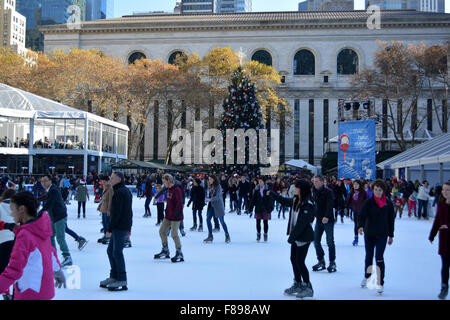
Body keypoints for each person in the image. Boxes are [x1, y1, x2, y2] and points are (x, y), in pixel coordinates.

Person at [0, 191, 66, 300]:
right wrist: (57, 271)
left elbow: (14, 270)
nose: (11, 214)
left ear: (22, 209)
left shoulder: (25, 235)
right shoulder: (40, 227)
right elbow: (51, 252)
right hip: (44, 290)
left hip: (29, 293)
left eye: (12, 209)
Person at [269, 180, 316, 299]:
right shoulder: (296, 200)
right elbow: (285, 201)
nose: (294, 189)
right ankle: (298, 283)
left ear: (302, 189)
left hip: (304, 237)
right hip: (296, 236)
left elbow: (302, 223)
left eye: (296, 187)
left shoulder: (308, 204)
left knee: (300, 261)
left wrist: (292, 236)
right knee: (293, 259)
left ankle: (308, 287)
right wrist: (273, 194)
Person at [358, 179, 395, 295]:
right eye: (376, 190)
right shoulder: (368, 202)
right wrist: (360, 226)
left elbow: (391, 220)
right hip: (369, 234)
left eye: (380, 190)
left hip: (382, 235)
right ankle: (367, 276)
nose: (378, 192)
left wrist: (391, 235)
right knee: (369, 256)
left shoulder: (388, 203)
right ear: (373, 190)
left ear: (383, 191)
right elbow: (362, 215)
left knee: (379, 257)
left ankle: (380, 282)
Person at [100, 171, 133, 291]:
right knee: (111, 251)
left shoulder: (120, 192)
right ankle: (114, 276)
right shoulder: (121, 191)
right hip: (120, 226)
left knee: (117, 252)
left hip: (119, 227)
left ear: (119, 179)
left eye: (113, 178)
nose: (110, 179)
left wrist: (109, 228)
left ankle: (122, 278)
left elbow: (118, 213)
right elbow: (128, 212)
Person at [40, 175, 73, 267]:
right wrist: (35, 200)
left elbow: (50, 203)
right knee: (50, 236)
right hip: (54, 216)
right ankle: (53, 256)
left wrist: (39, 213)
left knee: (60, 237)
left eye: (45, 181)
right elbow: (46, 197)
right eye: (42, 181)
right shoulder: (51, 189)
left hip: (59, 216)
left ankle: (67, 257)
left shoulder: (53, 189)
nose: (43, 183)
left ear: (50, 181)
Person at [154, 174, 185, 263]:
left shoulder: (177, 189)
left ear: (169, 181)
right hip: (168, 215)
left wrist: (176, 214)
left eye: (164, 182)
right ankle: (165, 249)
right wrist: (167, 212)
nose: (163, 184)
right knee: (162, 231)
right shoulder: (168, 189)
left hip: (176, 216)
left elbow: (179, 204)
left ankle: (179, 252)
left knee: (174, 234)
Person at [429, 181, 450, 300]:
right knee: (445, 265)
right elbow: (437, 220)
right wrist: (432, 234)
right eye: (443, 190)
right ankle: (444, 287)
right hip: (444, 240)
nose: (444, 192)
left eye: (447, 190)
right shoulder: (441, 204)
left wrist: (448, 226)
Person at [311, 175, 336, 273]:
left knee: (330, 241)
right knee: (315, 240)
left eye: (317, 181)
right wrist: (311, 218)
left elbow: (330, 205)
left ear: (322, 182)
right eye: (314, 181)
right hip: (318, 219)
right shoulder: (314, 192)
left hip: (327, 220)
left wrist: (326, 216)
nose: (315, 183)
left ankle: (332, 262)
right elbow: (314, 206)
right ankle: (321, 260)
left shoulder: (328, 192)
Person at [203, 175, 231, 244]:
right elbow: (209, 195)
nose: (209, 180)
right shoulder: (210, 186)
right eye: (209, 179)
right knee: (208, 219)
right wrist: (206, 199)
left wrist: (210, 199)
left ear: (214, 179)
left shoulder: (218, 186)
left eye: (210, 179)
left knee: (222, 221)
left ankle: (227, 235)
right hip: (211, 206)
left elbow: (218, 197)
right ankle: (210, 236)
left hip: (218, 206)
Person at [0, 189, 16, 300]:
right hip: (16, 240)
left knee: (2, 269)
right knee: (14, 269)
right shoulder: (19, 206)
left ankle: (5, 291)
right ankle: (11, 292)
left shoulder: (0, 205)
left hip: (2, 240)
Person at [249, 177, 274, 242]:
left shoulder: (268, 189)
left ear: (264, 182)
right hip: (258, 207)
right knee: (258, 222)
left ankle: (265, 234)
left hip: (266, 208)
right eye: (259, 181)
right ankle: (258, 234)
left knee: (265, 222)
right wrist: (250, 208)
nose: (260, 183)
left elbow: (271, 199)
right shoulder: (256, 190)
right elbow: (253, 199)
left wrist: (271, 207)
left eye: (261, 181)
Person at [346, 180, 368, 246]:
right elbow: (348, 201)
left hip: (363, 212)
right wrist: (346, 207)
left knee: (364, 225)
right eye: (354, 184)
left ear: (359, 185)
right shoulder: (352, 192)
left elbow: (367, 201)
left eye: (357, 184)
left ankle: (367, 238)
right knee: (356, 225)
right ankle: (356, 238)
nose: (355, 185)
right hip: (355, 211)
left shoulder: (363, 192)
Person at [97, 176, 113, 245]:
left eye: (104, 182)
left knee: (107, 223)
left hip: (107, 210)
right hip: (103, 209)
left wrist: (109, 210)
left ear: (108, 181)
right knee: (104, 223)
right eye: (102, 182)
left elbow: (110, 200)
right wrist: (100, 206)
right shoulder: (105, 188)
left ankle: (109, 236)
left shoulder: (110, 188)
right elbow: (103, 199)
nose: (103, 183)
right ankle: (105, 235)